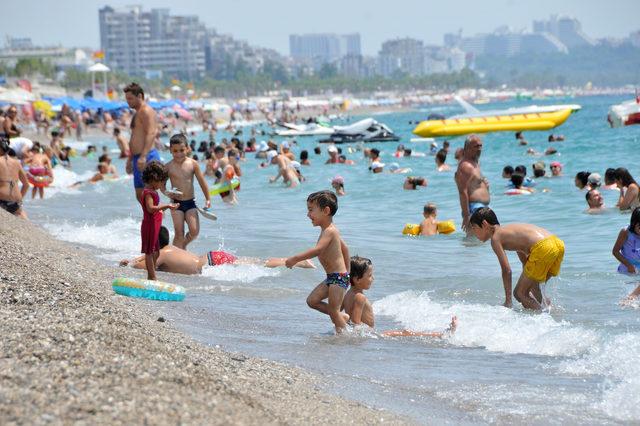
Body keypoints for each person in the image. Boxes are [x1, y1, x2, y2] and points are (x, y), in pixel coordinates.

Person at [469, 207, 564, 310]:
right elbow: (525, 262)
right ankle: (549, 308)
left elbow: (507, 270)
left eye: (474, 228)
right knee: (533, 286)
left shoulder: (496, 238)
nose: (474, 233)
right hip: (557, 244)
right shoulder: (510, 231)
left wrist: (508, 301)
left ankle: (543, 318)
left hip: (543, 247)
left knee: (519, 293)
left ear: (484, 224)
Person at [120, 226, 315, 275]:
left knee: (259, 263)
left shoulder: (160, 255)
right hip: (211, 257)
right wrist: (133, 258)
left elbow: (143, 266)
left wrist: (129, 263)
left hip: (211, 264)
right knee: (257, 262)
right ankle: (293, 261)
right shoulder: (169, 248)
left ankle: (298, 262)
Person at [285, 191, 350, 333]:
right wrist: (348, 272)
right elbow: (345, 249)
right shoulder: (327, 230)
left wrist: (295, 259)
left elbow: (318, 250)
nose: (308, 215)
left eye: (310, 210)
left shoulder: (331, 231)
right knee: (312, 301)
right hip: (332, 278)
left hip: (338, 278)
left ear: (326, 211)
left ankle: (343, 335)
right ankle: (342, 317)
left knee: (333, 310)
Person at [343, 256, 457, 337]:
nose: (373, 279)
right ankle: (444, 334)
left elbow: (338, 312)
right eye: (369, 276)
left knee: (405, 332)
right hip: (370, 334)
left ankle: (443, 333)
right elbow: (356, 323)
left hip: (368, 333)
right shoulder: (360, 297)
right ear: (357, 279)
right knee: (405, 332)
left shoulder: (348, 293)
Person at [165, 134, 211, 249]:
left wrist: (208, 199)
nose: (179, 153)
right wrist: (166, 192)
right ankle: (175, 256)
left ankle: (183, 245)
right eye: (175, 151)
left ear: (187, 148)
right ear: (170, 150)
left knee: (194, 232)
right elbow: (161, 184)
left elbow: (202, 182)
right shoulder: (168, 166)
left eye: (182, 150)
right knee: (179, 233)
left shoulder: (192, 164)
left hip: (190, 203)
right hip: (176, 203)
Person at [139, 161, 178, 280]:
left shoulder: (153, 192)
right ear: (153, 178)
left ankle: (151, 272)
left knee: (156, 252)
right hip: (149, 225)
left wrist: (163, 209)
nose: (162, 185)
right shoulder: (148, 193)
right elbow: (150, 209)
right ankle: (151, 276)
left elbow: (155, 207)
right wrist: (165, 206)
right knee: (150, 252)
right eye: (161, 181)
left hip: (155, 225)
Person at [124, 83, 160, 201]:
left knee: (150, 196)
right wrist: (130, 159)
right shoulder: (137, 112)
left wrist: (143, 156)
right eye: (127, 99)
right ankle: (149, 219)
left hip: (147, 156)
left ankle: (157, 219)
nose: (128, 101)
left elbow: (151, 133)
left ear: (139, 96)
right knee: (140, 195)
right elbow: (135, 137)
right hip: (137, 157)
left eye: (130, 98)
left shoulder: (146, 111)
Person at [455, 134, 490, 234]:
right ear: (467, 148)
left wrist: (485, 186)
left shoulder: (474, 164)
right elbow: (462, 192)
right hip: (474, 209)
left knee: (478, 242)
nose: (479, 149)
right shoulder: (465, 166)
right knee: (477, 240)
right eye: (476, 146)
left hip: (480, 208)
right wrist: (466, 216)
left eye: (480, 146)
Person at [613, 208, 640, 302]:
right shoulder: (625, 232)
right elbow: (615, 251)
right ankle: (628, 300)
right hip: (627, 269)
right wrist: (629, 265)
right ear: (634, 224)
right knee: (630, 293)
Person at [0, 138, 29, 218]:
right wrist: (19, 200)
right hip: (16, 204)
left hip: (1, 202)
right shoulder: (17, 163)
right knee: (22, 215)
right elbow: (26, 185)